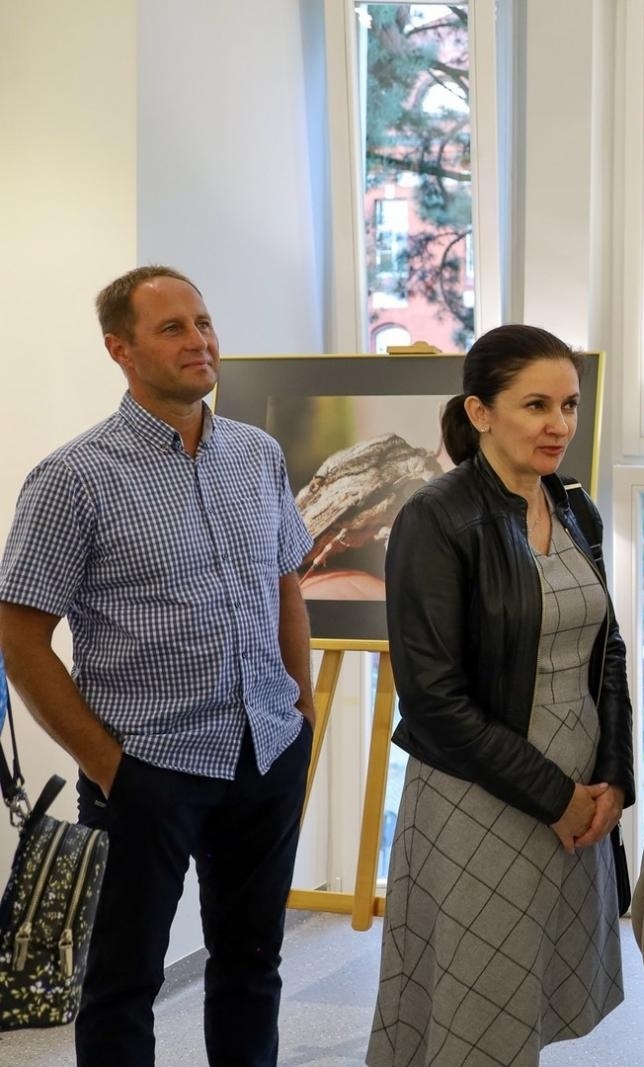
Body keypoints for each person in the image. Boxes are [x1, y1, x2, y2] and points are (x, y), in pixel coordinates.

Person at [0, 265, 316, 1067]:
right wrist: (106, 764)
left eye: (204, 322)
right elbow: (19, 632)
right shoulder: (73, 478)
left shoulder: (258, 454)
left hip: (266, 752)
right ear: (121, 349)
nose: (200, 340)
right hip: (147, 770)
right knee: (122, 983)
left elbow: (287, 580)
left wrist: (301, 708)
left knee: (252, 967)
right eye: (173, 327)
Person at [368, 324, 634, 1067]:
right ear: (480, 411)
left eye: (570, 405)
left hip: (579, 795)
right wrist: (557, 797)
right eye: (537, 405)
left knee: (535, 996)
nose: (560, 426)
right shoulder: (436, 516)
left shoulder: (575, 508)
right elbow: (432, 700)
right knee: (475, 1016)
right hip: (481, 798)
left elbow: (606, 648)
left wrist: (614, 777)